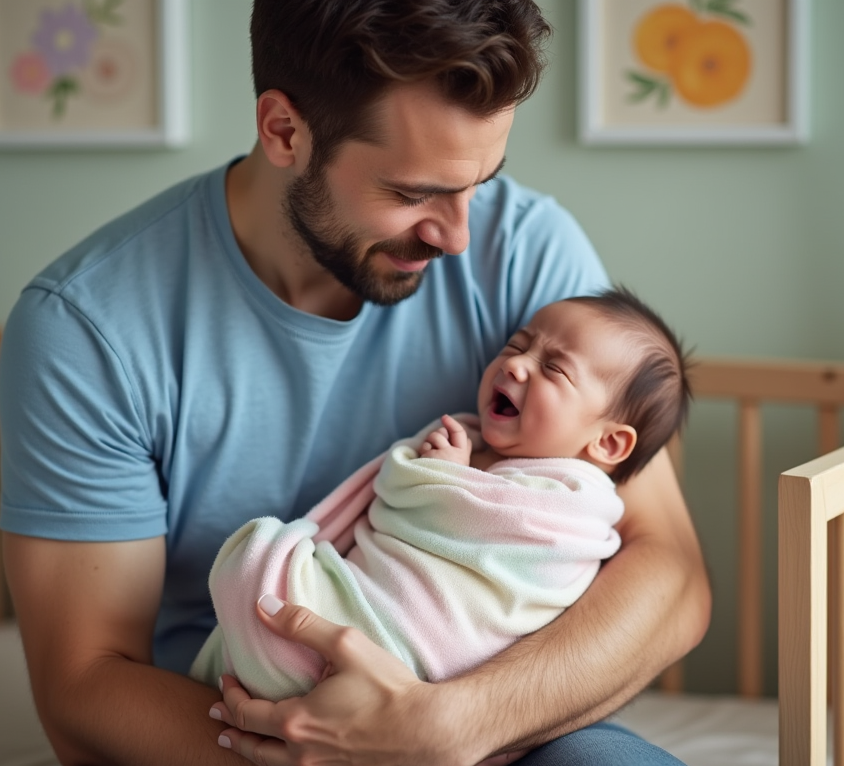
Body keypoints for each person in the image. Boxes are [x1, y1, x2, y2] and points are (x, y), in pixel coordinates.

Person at [0, 1, 721, 766]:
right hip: (228, 741)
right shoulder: (89, 327)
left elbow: (670, 575)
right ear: (284, 131)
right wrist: (336, 762)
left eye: (480, 183)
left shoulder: (529, 255)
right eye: (413, 193)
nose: (459, 235)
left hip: (485, 732)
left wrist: (447, 730)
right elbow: (85, 691)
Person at [190, 288, 691, 702]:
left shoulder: (572, 505)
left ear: (607, 442)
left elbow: (492, 541)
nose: (517, 366)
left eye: (554, 370)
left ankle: (284, 661)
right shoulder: (469, 439)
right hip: (376, 600)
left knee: (255, 562)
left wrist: (443, 482)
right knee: (257, 569)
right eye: (517, 347)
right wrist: (446, 471)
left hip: (417, 653)